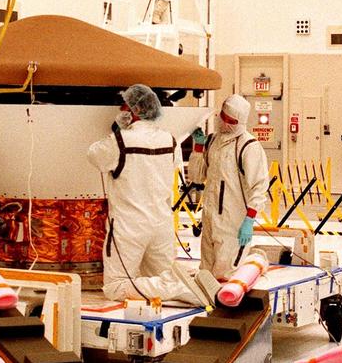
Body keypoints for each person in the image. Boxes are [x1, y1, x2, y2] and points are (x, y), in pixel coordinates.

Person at [88, 84, 197, 304]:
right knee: (159, 274)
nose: (121, 111)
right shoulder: (170, 140)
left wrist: (118, 132)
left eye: (123, 107)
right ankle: (178, 285)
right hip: (161, 226)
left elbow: (93, 155)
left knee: (115, 286)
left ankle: (175, 287)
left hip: (129, 227)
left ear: (132, 110)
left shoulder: (119, 142)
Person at [200, 94, 270, 279]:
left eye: (230, 120)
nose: (224, 123)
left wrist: (250, 218)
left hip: (233, 223)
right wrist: (198, 149)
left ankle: (256, 259)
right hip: (209, 217)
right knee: (206, 273)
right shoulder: (212, 142)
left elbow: (260, 186)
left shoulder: (248, 146)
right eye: (223, 117)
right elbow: (198, 176)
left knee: (225, 274)